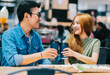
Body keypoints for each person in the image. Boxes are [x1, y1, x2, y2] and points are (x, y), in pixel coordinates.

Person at [1, 1, 57, 66]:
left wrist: (48, 66)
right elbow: (13, 60)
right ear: (26, 16)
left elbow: (44, 59)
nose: (40, 19)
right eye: (38, 15)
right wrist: (41, 55)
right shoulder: (9, 35)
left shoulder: (36, 37)